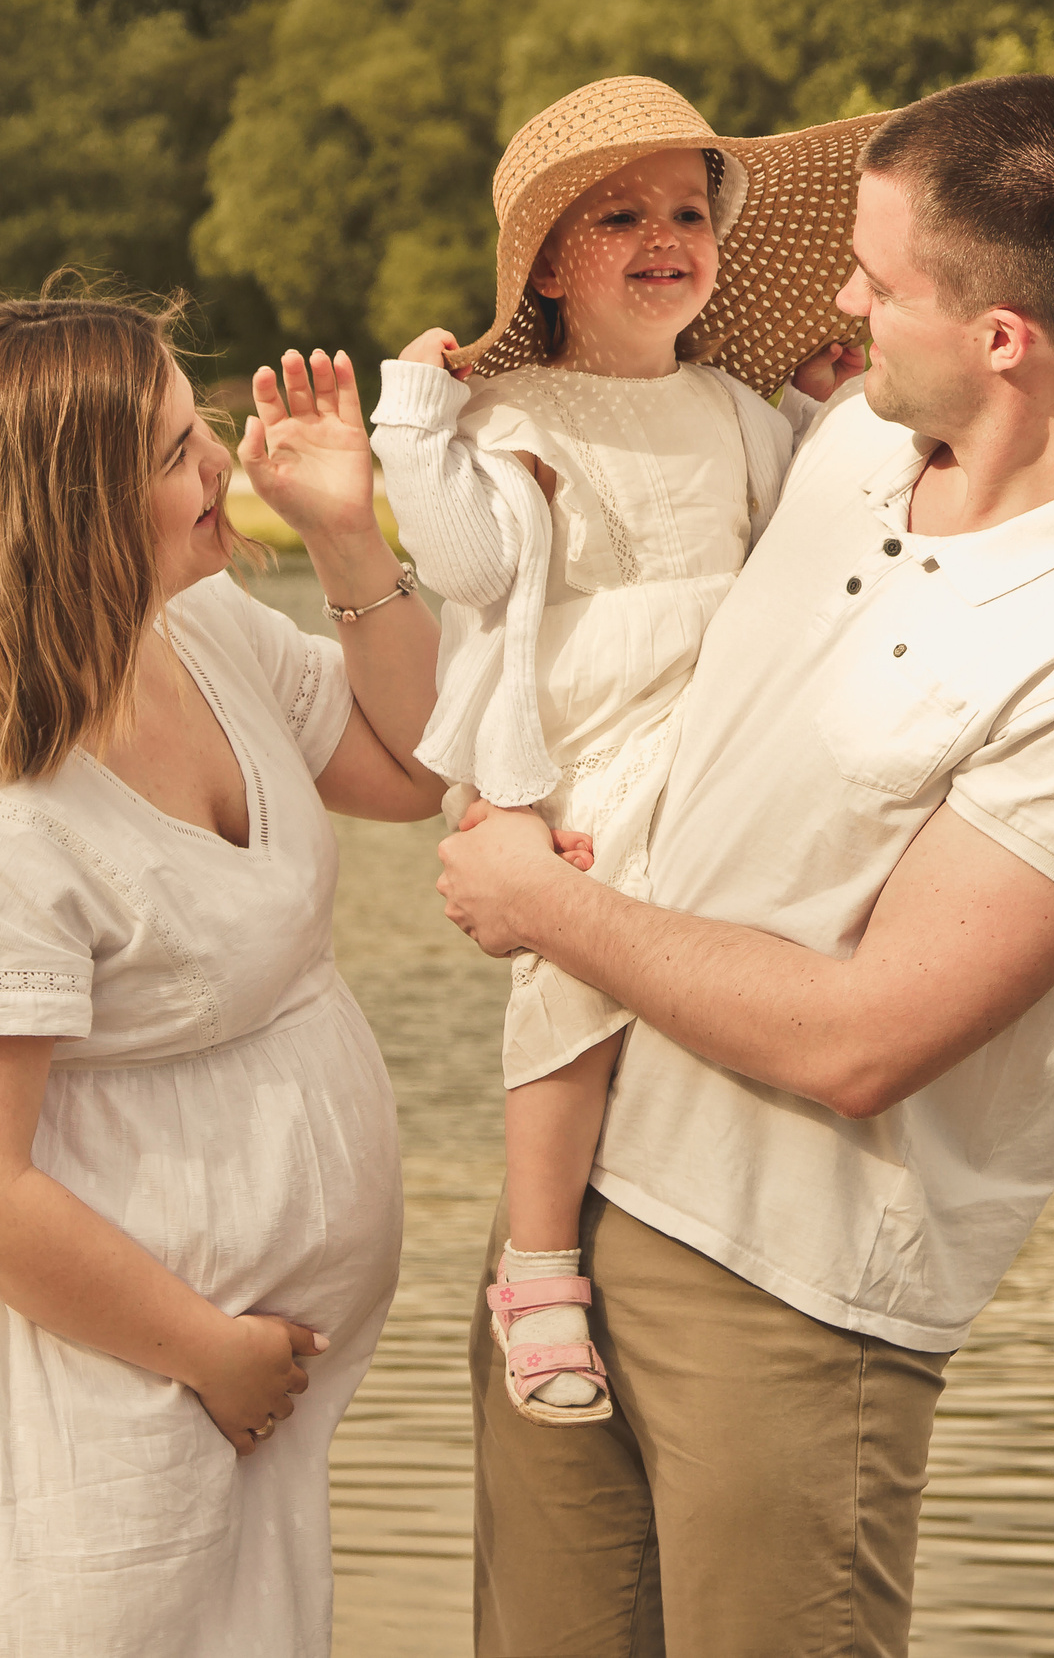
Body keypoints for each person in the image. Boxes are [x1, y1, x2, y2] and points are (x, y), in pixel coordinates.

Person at [434, 75, 1054, 1656]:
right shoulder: (848, 446)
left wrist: (549, 908)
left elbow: (865, 1039)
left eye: (876, 278)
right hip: (569, 1218)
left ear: (1002, 335)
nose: (842, 298)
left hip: (789, 1299)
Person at [0, 287, 442, 1657]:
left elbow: (416, 768)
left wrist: (350, 533)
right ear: (68, 508)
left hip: (229, 1396)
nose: (223, 458)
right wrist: (207, 1350)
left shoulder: (198, 630)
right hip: (78, 1392)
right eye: (175, 452)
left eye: (197, 422)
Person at [368, 76, 884, 1425]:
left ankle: (732, 1198)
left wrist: (826, 419)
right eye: (620, 218)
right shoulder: (518, 415)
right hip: (582, 737)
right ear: (546, 260)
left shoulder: (726, 405)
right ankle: (538, 1267)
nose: (667, 237)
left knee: (762, 917)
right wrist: (412, 423)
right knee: (576, 983)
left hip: (714, 720)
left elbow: (798, 554)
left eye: (686, 212)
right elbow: (468, 565)